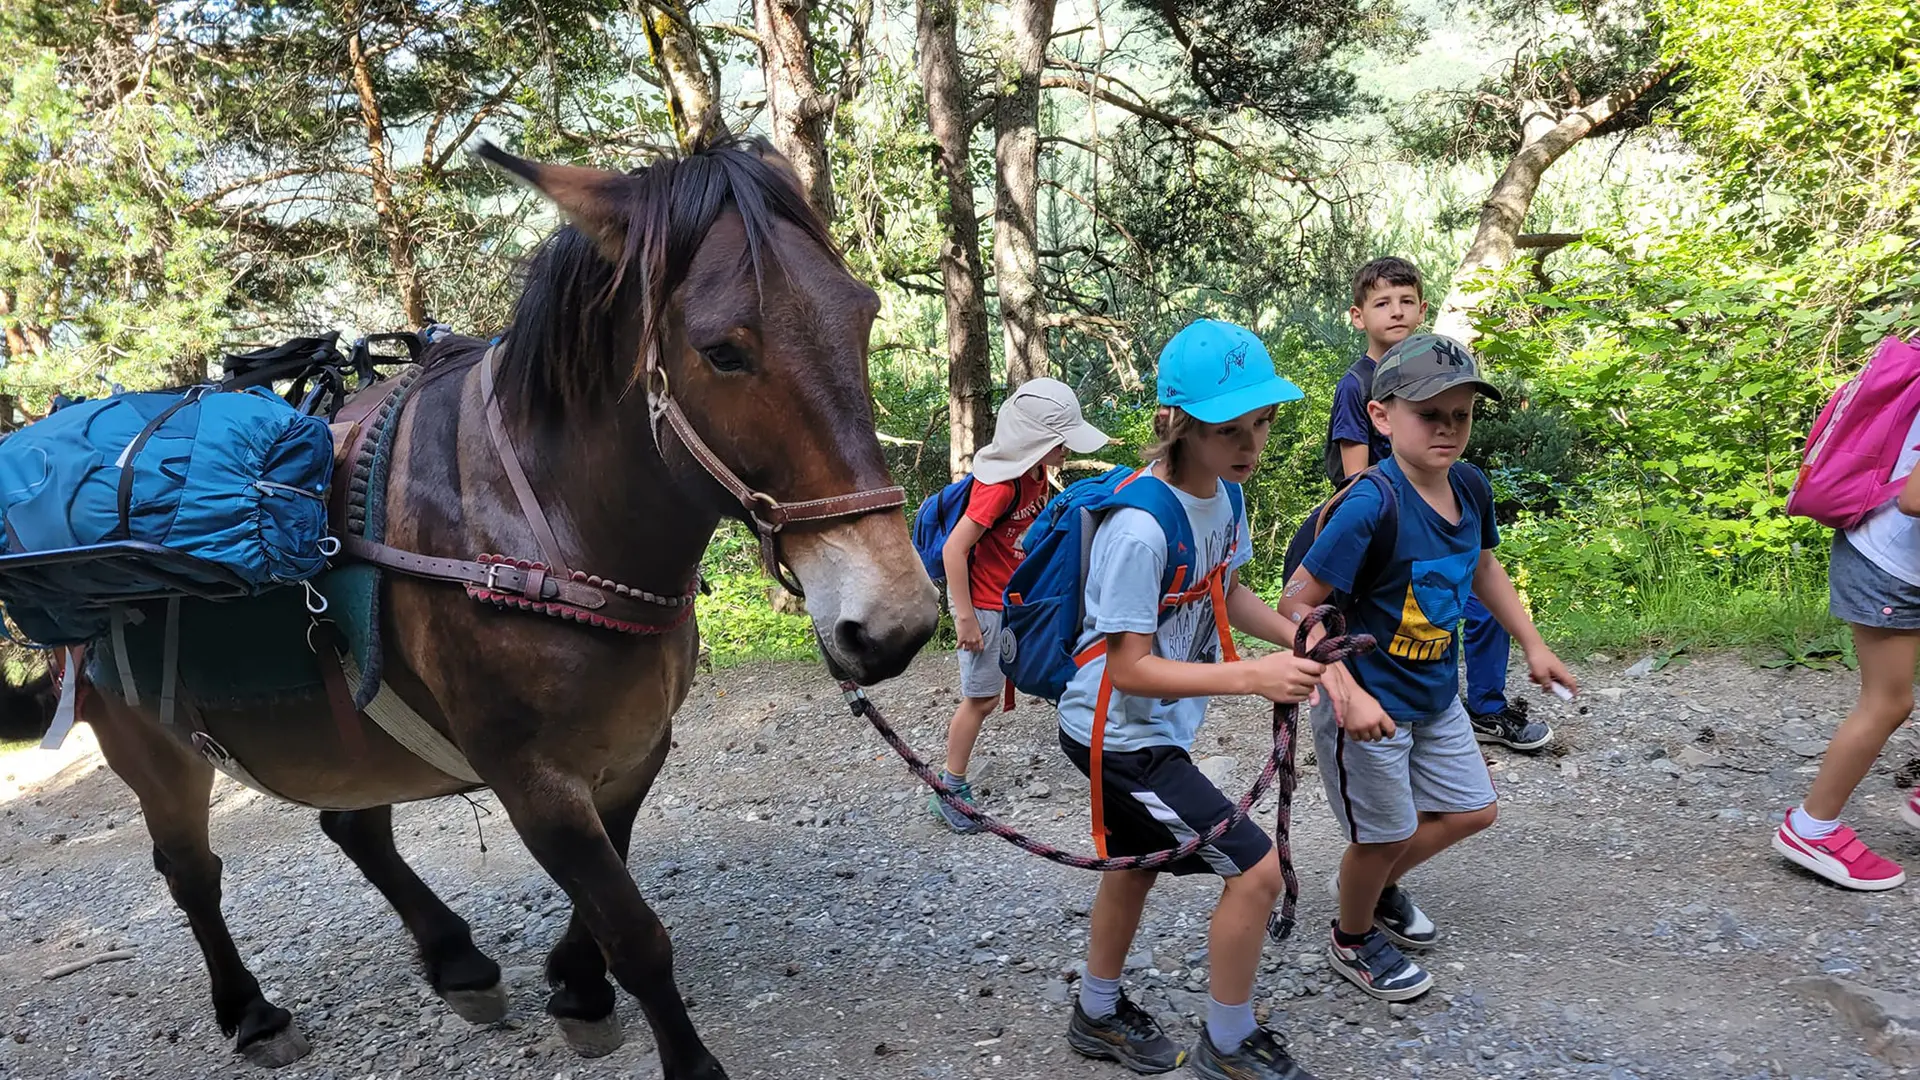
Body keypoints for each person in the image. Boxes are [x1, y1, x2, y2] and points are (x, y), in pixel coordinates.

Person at [1059, 319, 1325, 1080]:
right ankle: (1230, 1044)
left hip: (1145, 728)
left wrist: (1292, 636)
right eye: (1228, 430)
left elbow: (1226, 593)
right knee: (1257, 871)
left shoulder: (1227, 500)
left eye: (1262, 424)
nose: (1250, 445)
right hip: (1121, 734)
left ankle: (1098, 1013)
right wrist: (1254, 677)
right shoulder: (1141, 529)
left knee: (1135, 864)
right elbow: (1131, 667)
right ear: (1178, 424)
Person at [1282, 333, 1577, 1002]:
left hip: (1436, 692)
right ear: (1382, 418)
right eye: (1428, 413)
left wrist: (1532, 643)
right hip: (1367, 705)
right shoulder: (1369, 503)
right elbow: (1298, 604)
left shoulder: (1470, 486)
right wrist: (1344, 691)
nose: (1447, 428)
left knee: (1474, 810)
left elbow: (1482, 567)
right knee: (1380, 834)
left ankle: (1371, 885)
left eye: (1460, 415)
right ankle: (1351, 938)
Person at [1323, 257, 1552, 752]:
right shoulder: (1356, 385)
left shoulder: (1444, 370)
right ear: (1358, 315)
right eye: (1383, 303)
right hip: (1390, 535)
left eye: (1407, 302)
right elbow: (1355, 475)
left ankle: (1484, 708)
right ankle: (1369, 706)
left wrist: (1536, 644)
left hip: (1441, 526)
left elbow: (1486, 565)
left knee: (1484, 607)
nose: (1397, 312)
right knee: (1397, 623)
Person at [931, 378, 1111, 833]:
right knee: (980, 699)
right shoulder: (998, 486)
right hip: (987, 610)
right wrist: (965, 618)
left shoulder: (1035, 476)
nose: (1067, 451)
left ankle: (1103, 756)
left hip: (1015, 605)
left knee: (1056, 675)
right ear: (1036, 442)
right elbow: (955, 551)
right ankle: (950, 788)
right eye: (1061, 443)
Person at [1773, 461, 1920, 890]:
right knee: (1887, 702)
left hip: (1898, 556)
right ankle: (1810, 830)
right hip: (1890, 568)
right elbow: (1914, 500)